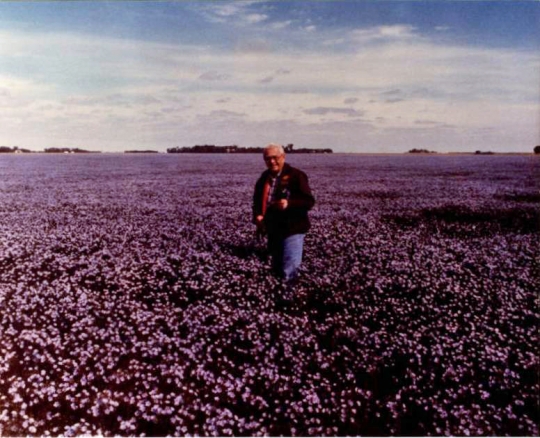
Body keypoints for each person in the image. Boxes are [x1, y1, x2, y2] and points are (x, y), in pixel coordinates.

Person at [253, 143, 315, 284]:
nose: (272, 161)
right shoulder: (264, 177)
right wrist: (257, 215)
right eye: (268, 158)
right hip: (273, 229)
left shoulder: (296, 176)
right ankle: (278, 297)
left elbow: (309, 201)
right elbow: (257, 200)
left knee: (290, 268)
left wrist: (289, 203)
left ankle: (289, 297)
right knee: (276, 267)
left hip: (292, 229)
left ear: (283, 157)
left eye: (275, 158)